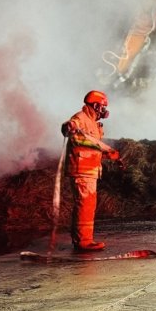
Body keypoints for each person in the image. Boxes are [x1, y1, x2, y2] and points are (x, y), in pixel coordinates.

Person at [61, 90, 121, 252]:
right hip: (82, 170)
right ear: (95, 105)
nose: (104, 110)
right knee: (85, 205)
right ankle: (83, 241)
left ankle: (81, 239)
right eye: (102, 107)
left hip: (89, 170)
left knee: (86, 205)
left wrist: (110, 155)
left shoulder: (93, 122)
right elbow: (71, 129)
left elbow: (93, 147)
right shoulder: (80, 118)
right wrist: (68, 126)